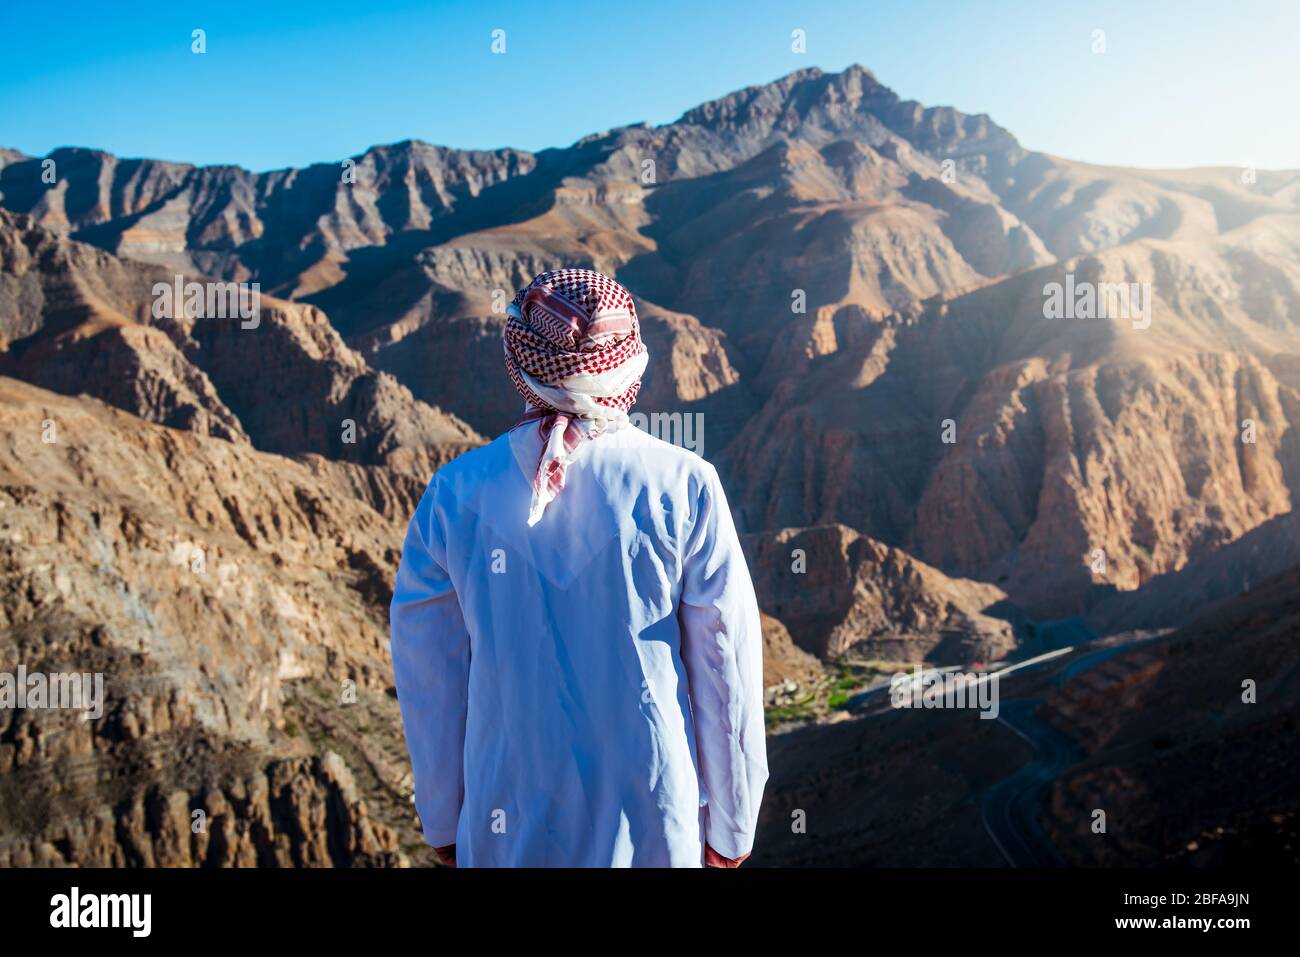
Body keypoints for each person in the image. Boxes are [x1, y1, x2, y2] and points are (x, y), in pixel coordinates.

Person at [389, 268, 767, 867]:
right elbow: (726, 669)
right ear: (629, 360)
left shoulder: (454, 494)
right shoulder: (685, 484)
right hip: (656, 820)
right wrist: (733, 822)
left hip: (503, 820)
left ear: (520, 358)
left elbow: (427, 677)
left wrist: (442, 816)